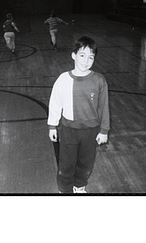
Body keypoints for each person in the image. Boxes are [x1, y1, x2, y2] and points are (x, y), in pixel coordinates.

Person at [47, 36, 110, 193]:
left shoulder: (99, 80)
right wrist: (52, 126)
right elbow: (55, 103)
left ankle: (79, 185)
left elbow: (103, 106)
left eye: (91, 57)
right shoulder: (63, 79)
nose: (86, 61)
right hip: (69, 130)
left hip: (90, 131)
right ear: (73, 55)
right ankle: (64, 189)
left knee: (86, 162)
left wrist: (104, 130)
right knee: (66, 162)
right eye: (82, 55)